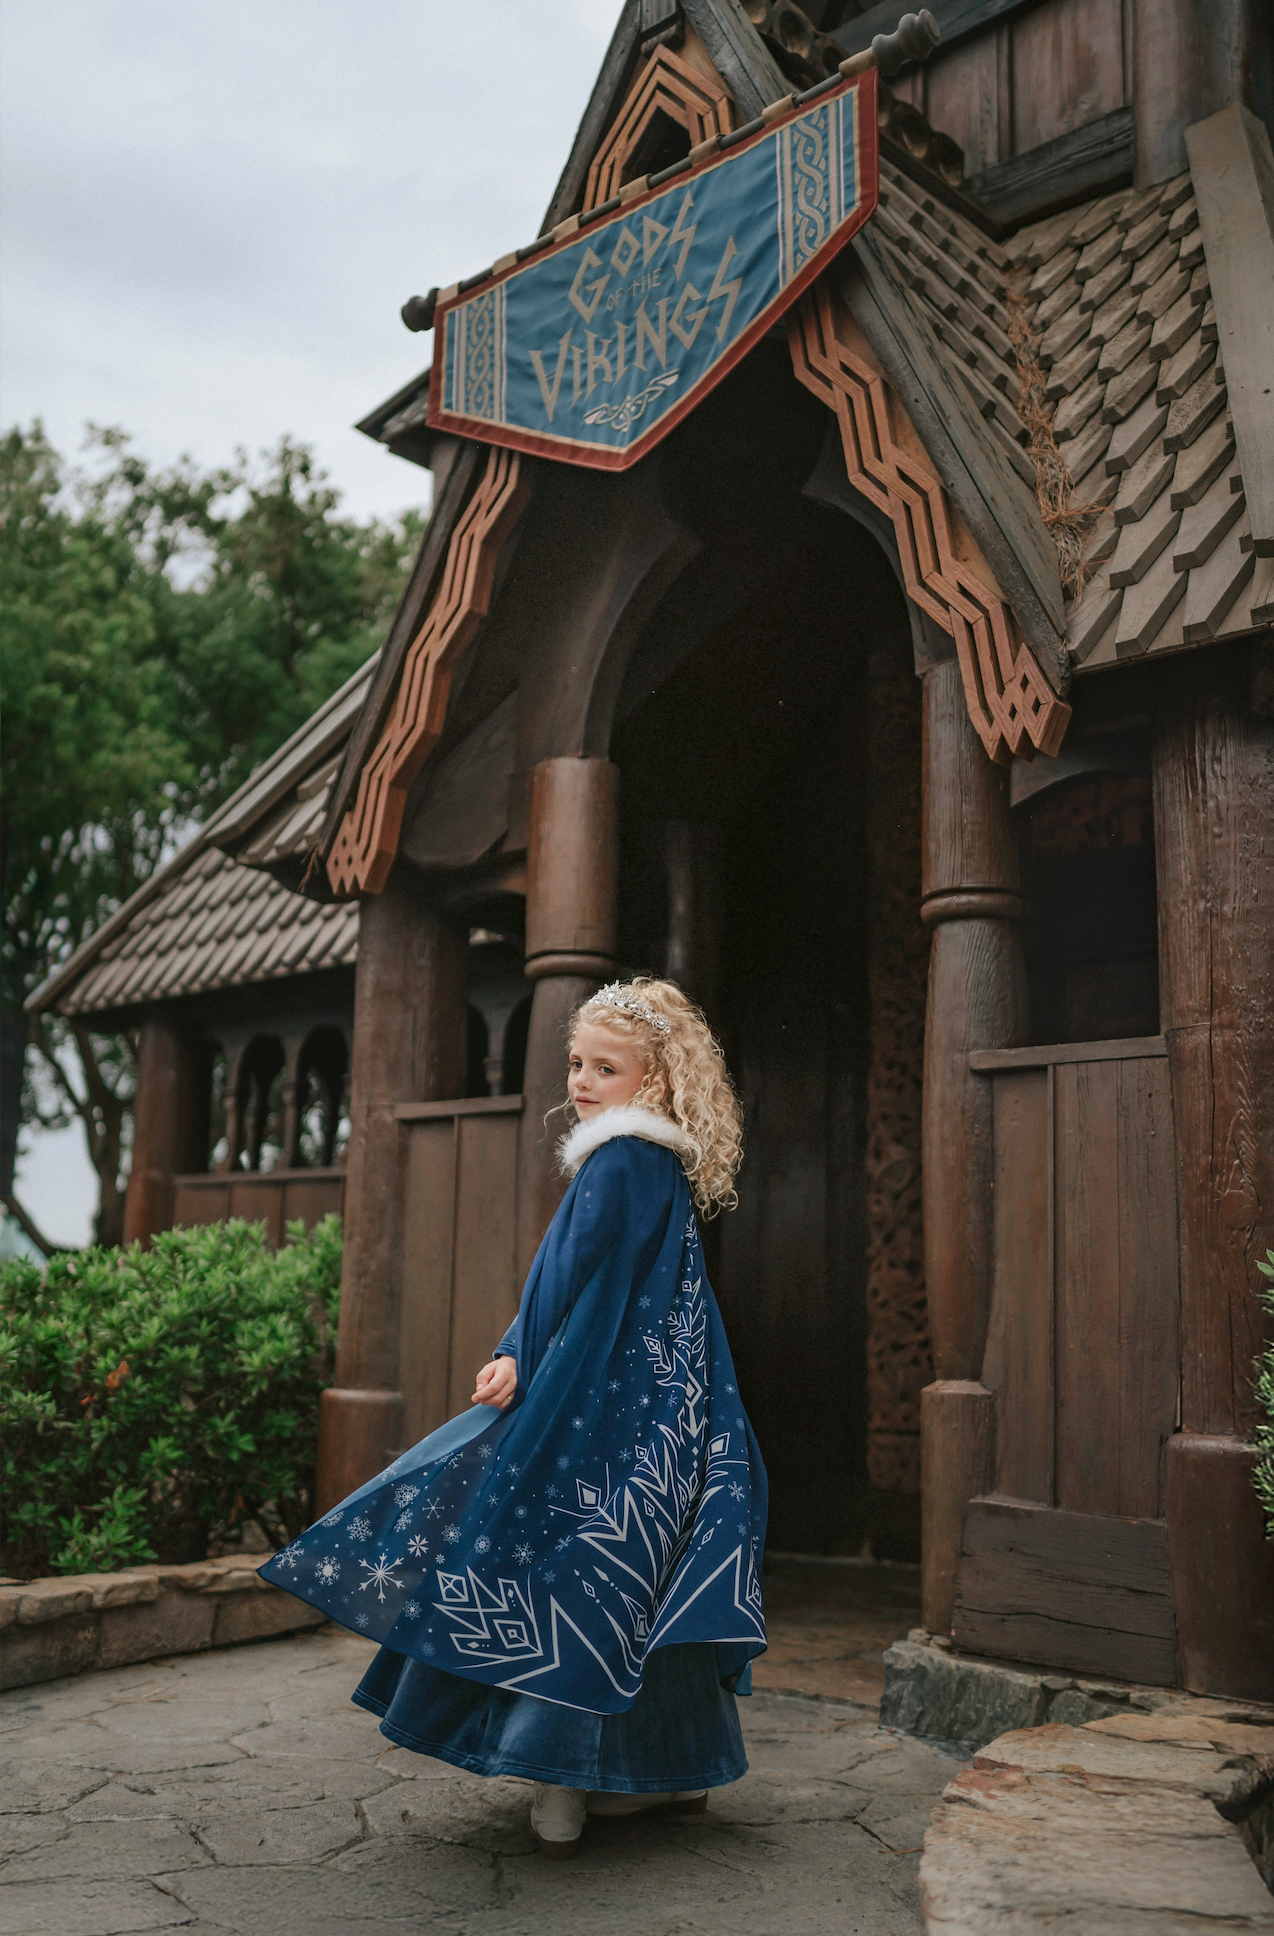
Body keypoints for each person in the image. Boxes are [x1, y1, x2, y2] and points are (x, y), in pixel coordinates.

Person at [262, 977, 767, 1858]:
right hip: (655, 1405)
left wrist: (518, 1351)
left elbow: (561, 1274)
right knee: (631, 1575)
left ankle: (559, 1786)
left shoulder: (618, 1159)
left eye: (605, 1068)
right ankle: (654, 1773)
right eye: (577, 1063)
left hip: (586, 1394)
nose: (581, 1082)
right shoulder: (667, 1168)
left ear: (650, 1083)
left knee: (548, 1556)